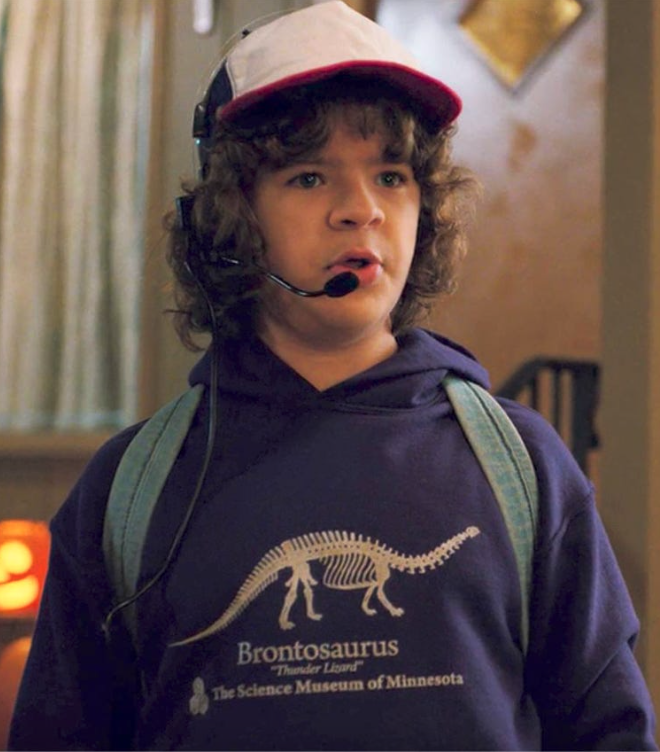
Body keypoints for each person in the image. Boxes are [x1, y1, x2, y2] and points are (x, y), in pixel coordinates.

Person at [8, 1, 657, 750]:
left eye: (392, 175)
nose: (361, 210)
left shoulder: (523, 465)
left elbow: (609, 731)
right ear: (229, 218)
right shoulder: (128, 490)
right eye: (310, 176)